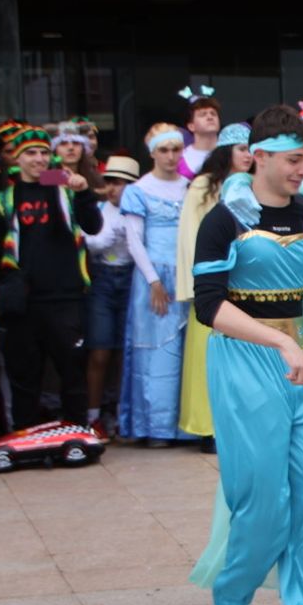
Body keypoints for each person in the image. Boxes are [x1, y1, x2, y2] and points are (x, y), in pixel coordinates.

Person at [187, 107, 303, 605]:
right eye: (292, 159)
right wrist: (279, 341)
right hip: (245, 360)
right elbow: (209, 306)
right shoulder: (224, 218)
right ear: (257, 156)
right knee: (263, 494)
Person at [0, 125, 103, 431]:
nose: (38, 159)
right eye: (31, 153)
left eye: (43, 152)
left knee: (72, 372)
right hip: (23, 303)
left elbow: (93, 226)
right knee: (25, 376)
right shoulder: (5, 198)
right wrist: (0, 296)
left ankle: (78, 432)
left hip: (65, 298)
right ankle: (24, 435)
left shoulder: (64, 187)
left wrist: (84, 194)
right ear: (16, 157)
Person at [176, 124, 253, 448]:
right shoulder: (203, 186)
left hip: (246, 284)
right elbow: (190, 237)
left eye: (252, 149)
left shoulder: (255, 185)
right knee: (207, 357)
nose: (248, 156)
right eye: (242, 149)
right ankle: (208, 427)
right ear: (226, 152)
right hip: (212, 283)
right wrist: (200, 284)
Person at [120, 124, 191, 446]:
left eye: (176, 149)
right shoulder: (138, 190)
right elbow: (134, 241)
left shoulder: (189, 188)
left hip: (186, 275)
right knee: (156, 354)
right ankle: (155, 427)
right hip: (155, 277)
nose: (171, 156)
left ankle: (184, 425)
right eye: (164, 150)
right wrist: (153, 280)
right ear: (152, 153)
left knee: (186, 352)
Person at [85, 155, 140, 433]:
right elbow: (91, 243)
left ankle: (117, 412)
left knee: (123, 351)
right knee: (100, 350)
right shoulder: (98, 208)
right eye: (110, 182)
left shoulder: (138, 210)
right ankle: (93, 415)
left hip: (132, 277)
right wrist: (112, 237)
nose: (114, 188)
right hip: (103, 278)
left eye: (120, 183)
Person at [179, 86, 222, 179]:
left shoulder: (230, 153)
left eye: (213, 113)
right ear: (191, 126)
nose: (210, 117)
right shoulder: (180, 158)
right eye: (203, 114)